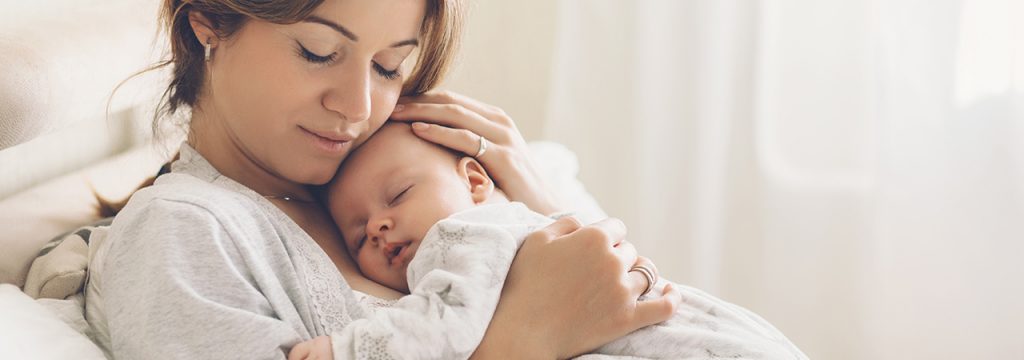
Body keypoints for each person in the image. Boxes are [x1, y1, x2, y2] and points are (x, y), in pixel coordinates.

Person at [84, 0, 679, 359]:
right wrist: (525, 337)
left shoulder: (403, 171)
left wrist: (535, 198)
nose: (357, 106)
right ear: (207, 23)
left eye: (390, 66)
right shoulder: (179, 232)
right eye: (318, 51)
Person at [285, 122, 808, 359]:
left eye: (398, 194)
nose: (377, 226)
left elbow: (443, 323)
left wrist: (347, 350)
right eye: (357, 235)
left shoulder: (464, 235)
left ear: (475, 182)